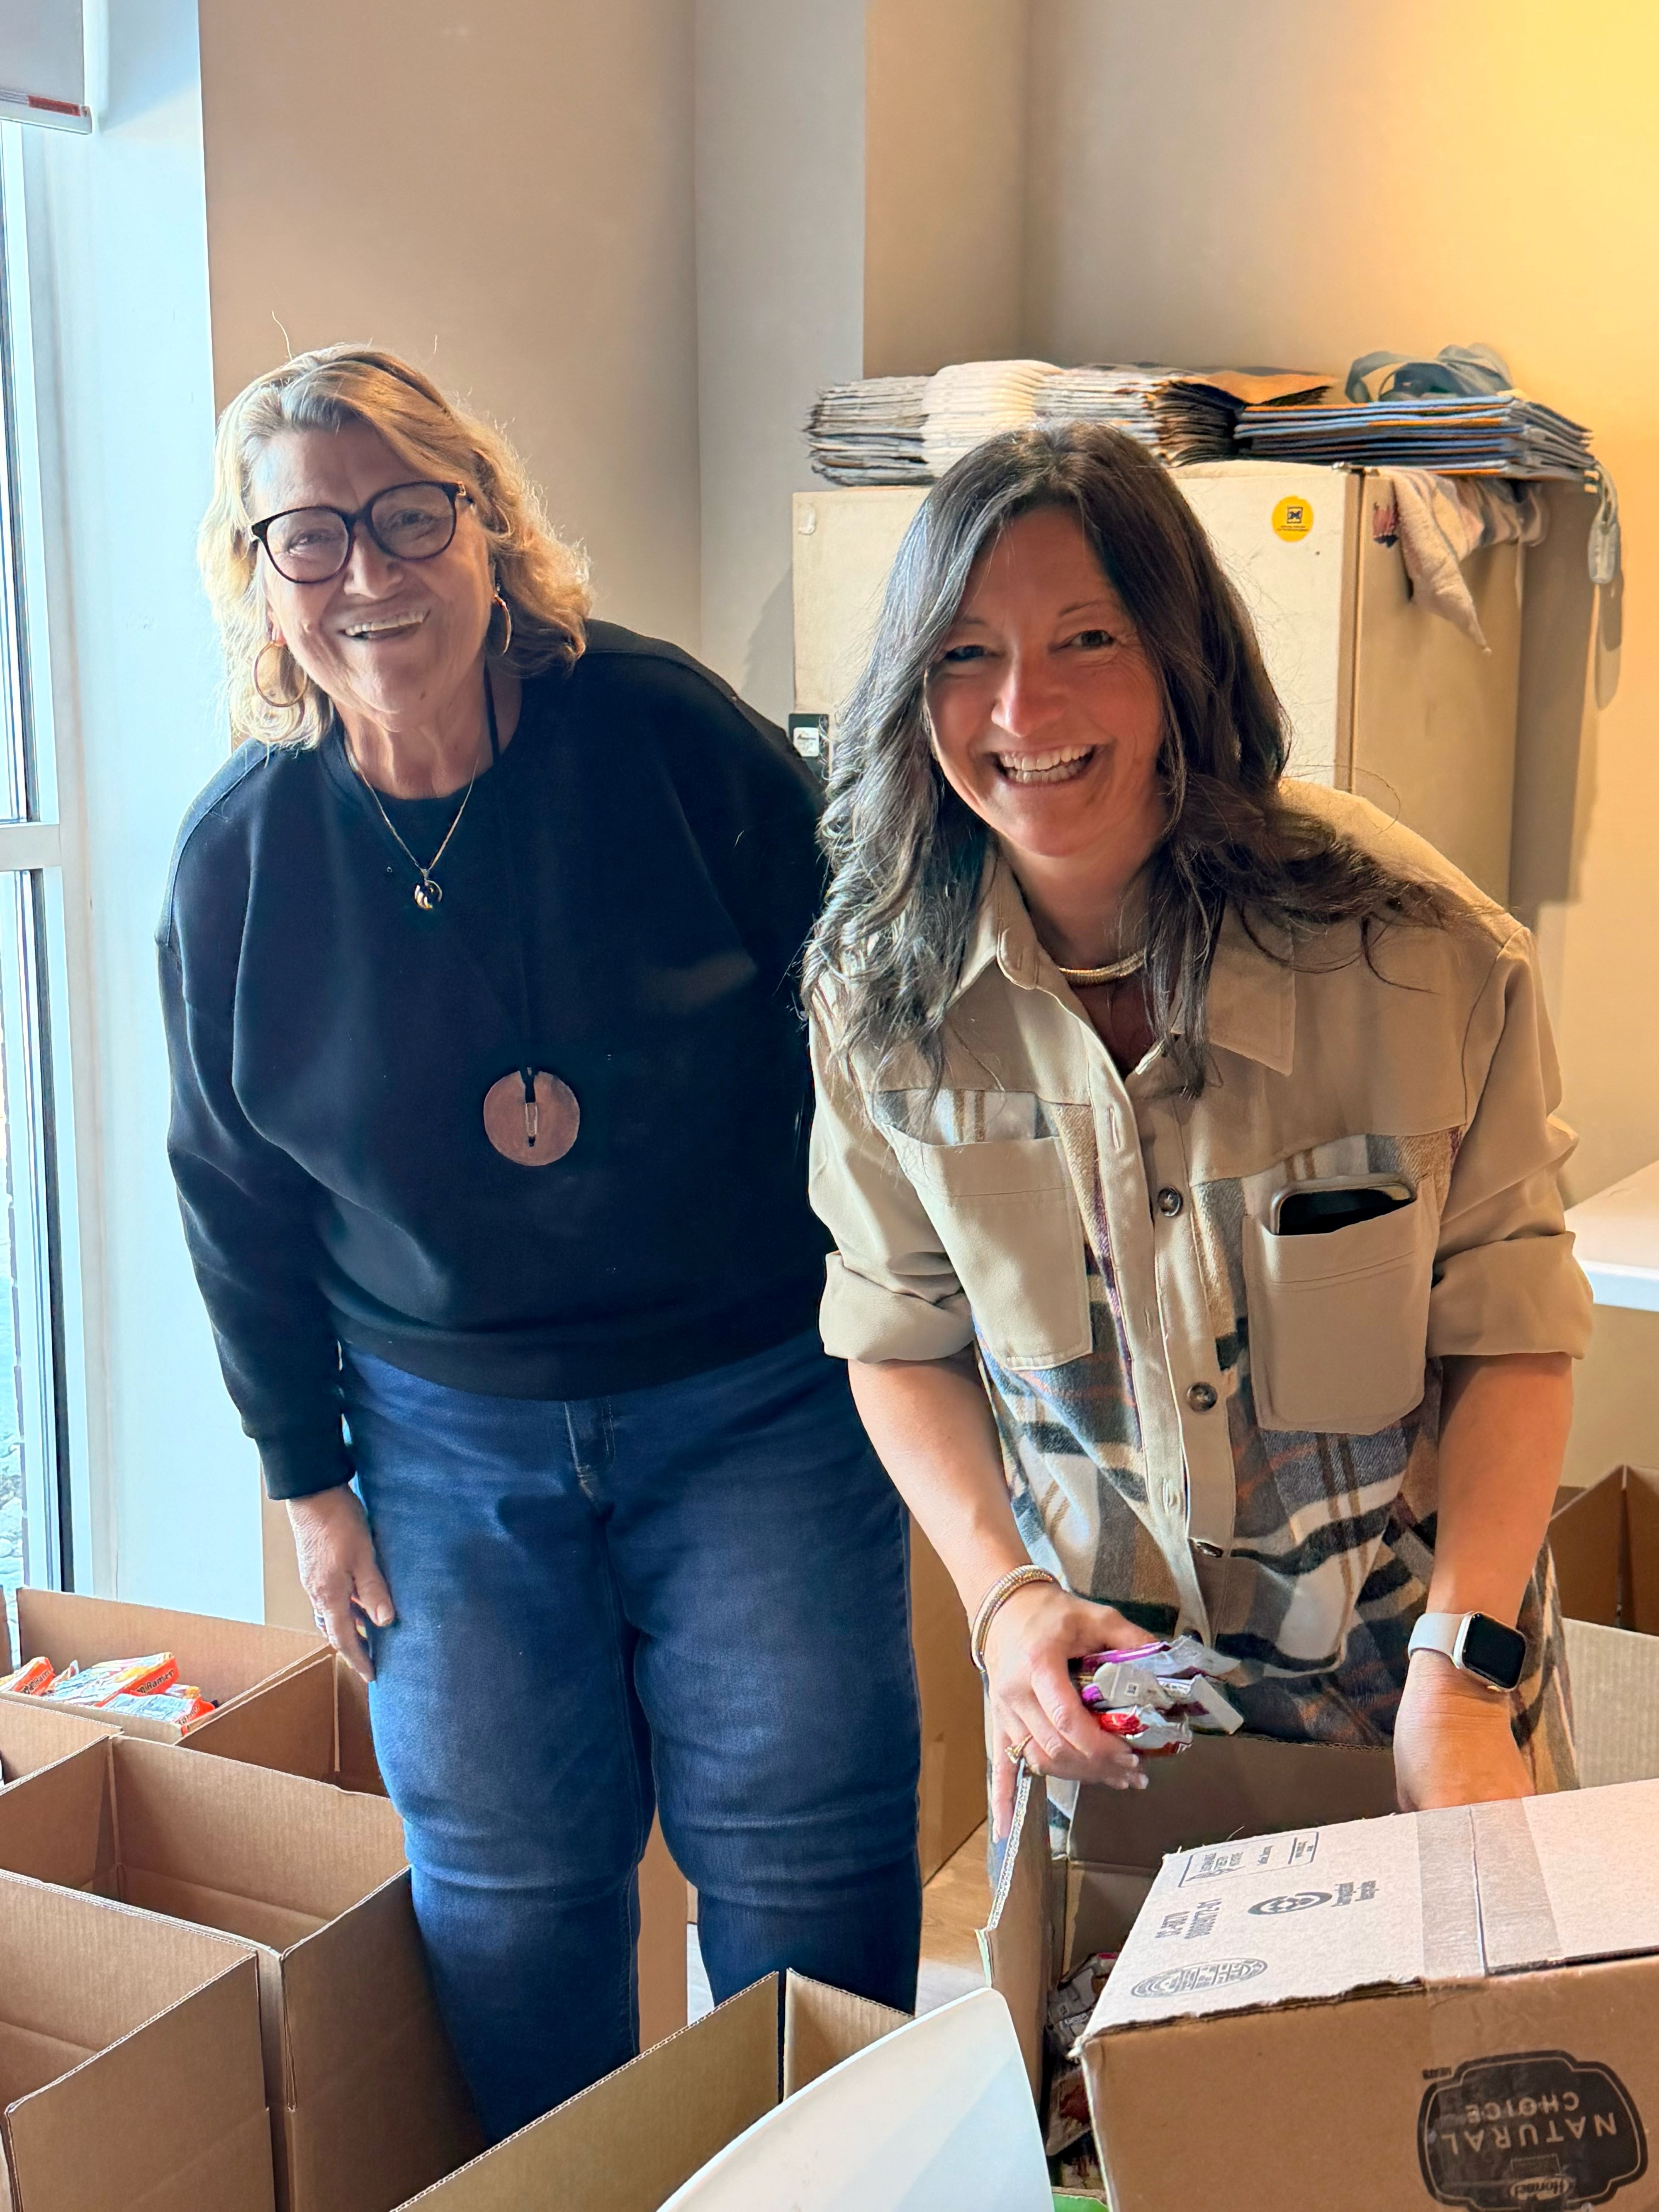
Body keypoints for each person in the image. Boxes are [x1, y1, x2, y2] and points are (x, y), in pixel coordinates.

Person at [165, 344, 920, 2138]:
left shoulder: (661, 735)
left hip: (755, 1398)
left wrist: (930, 1337)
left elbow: (870, 1026)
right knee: (507, 1901)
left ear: (487, 524)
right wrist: (307, 1478)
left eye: (410, 514)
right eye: (311, 536)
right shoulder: (243, 854)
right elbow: (232, 1189)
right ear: (257, 579)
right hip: (439, 1441)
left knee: (806, 1874)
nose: (368, 572)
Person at [804, 423, 1592, 1844]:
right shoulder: (881, 998)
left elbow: (1514, 1329)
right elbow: (896, 1338)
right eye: (965, 654)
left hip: (1414, 1665)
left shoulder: (1418, 956)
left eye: (1090, 637)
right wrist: (1006, 1599)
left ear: (1183, 662)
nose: (1023, 707)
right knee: (1123, 2050)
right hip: (1123, 1688)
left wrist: (1468, 1675)